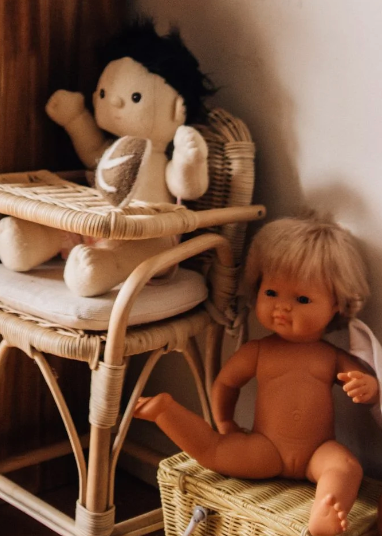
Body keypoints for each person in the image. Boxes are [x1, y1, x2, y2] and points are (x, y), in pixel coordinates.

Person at [135, 214, 377, 536]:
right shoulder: (259, 351)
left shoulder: (330, 357)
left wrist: (369, 387)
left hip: (318, 451)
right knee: (214, 452)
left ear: (337, 305)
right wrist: (225, 423)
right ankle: (166, 411)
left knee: (346, 467)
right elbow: (226, 383)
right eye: (271, 293)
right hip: (266, 448)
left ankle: (326, 512)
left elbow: (367, 385)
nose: (282, 308)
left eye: (302, 299)